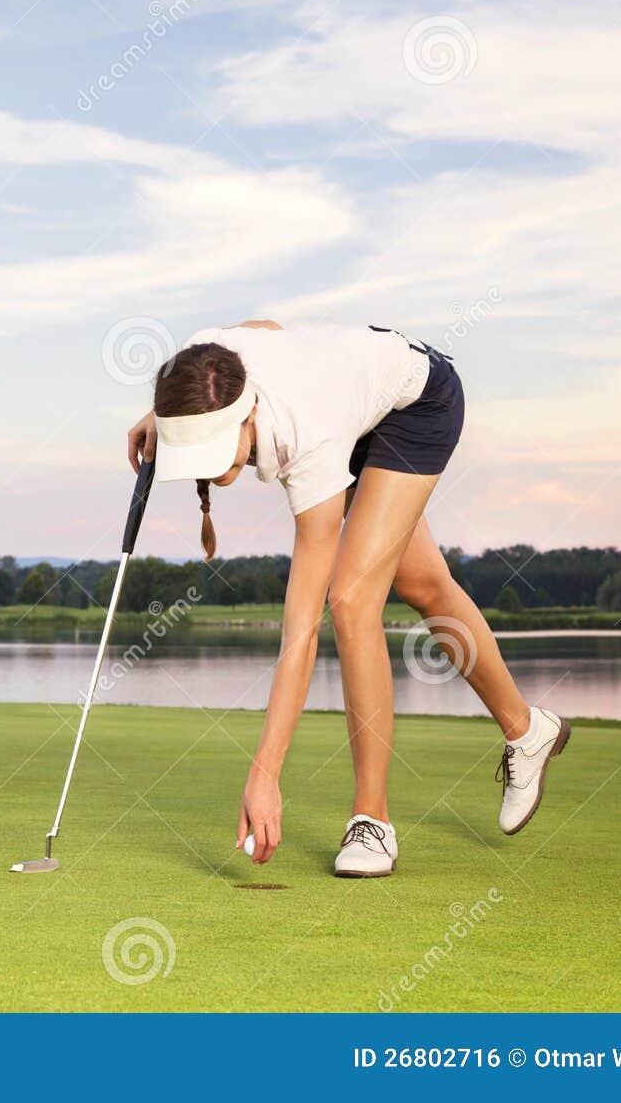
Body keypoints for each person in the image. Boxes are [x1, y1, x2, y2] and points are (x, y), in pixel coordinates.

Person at [127, 320, 570, 877]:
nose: (213, 471)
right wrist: (162, 419)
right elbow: (263, 327)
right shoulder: (205, 361)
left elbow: (300, 633)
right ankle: (529, 730)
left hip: (418, 404)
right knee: (423, 585)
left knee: (353, 599)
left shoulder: (308, 438)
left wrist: (265, 773)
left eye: (216, 448)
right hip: (359, 411)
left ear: (248, 412)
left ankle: (372, 822)